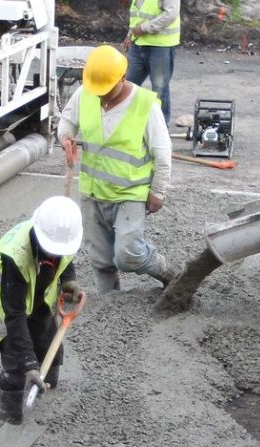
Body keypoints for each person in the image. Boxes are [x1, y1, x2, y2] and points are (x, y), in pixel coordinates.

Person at [58, 45, 178, 294]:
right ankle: (109, 302)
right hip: (92, 192)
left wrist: (158, 191)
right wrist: (66, 136)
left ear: (122, 78)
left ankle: (167, 273)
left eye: (106, 90)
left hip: (129, 194)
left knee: (128, 255)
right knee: (101, 259)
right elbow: (67, 120)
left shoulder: (145, 106)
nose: (100, 96)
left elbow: (163, 153)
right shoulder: (86, 93)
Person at [0, 196, 84, 427]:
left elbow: (66, 260)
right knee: (16, 356)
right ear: (39, 237)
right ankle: (9, 418)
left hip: (39, 294)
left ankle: (46, 382)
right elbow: (15, 315)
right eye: (52, 250)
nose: (56, 253)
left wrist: (69, 282)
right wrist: (28, 364)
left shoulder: (63, 236)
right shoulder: (15, 256)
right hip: (7, 299)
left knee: (47, 339)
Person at [121, 0, 180, 126]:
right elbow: (137, 14)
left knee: (159, 89)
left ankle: (161, 126)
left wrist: (144, 28)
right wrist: (129, 35)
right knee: (128, 84)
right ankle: (124, 122)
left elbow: (171, 14)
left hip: (161, 46)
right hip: (138, 44)